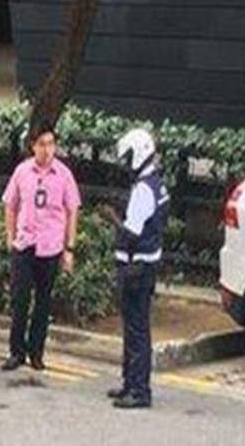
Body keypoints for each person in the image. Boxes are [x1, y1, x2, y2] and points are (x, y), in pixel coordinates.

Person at [1, 126, 81, 372]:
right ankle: (16, 351)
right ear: (33, 146)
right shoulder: (22, 171)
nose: (47, 150)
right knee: (20, 300)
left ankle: (36, 352)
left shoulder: (63, 174)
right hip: (25, 244)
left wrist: (69, 248)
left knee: (43, 302)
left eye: (51, 144)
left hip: (50, 246)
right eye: (42, 144)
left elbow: (72, 210)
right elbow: (10, 204)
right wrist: (10, 235)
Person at [101, 128, 169, 409]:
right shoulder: (156, 183)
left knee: (136, 329)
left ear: (139, 153)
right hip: (146, 264)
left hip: (137, 267)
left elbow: (131, 233)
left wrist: (112, 217)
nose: (125, 164)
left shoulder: (143, 188)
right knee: (135, 327)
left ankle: (139, 390)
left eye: (128, 157)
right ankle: (131, 383)